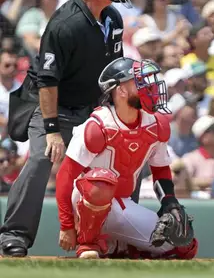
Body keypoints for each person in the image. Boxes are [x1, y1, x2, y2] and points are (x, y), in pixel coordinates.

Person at [0, 0, 130, 257]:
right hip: (48, 105)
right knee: (41, 158)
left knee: (121, 156)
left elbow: (113, 70)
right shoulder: (65, 24)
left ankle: (114, 236)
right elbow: (47, 81)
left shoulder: (113, 17)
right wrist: (52, 130)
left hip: (89, 106)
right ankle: (14, 235)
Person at [55, 57, 198, 259]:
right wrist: (66, 225)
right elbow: (65, 176)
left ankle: (119, 246)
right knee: (101, 183)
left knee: (184, 245)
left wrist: (169, 202)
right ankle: (88, 244)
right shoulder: (97, 126)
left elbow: (161, 170)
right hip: (85, 202)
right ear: (120, 90)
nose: (149, 87)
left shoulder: (155, 124)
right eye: (139, 82)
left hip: (121, 203)